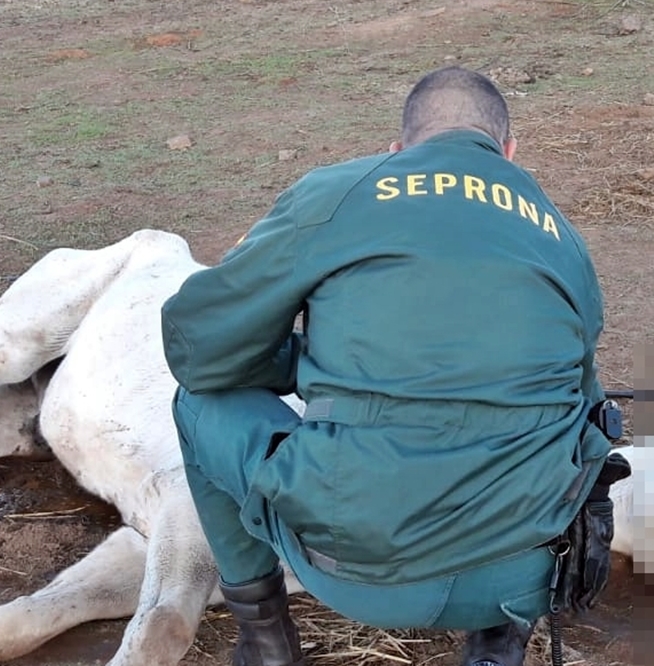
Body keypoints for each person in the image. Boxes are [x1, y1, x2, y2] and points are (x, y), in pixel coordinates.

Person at [160, 66, 622, 666]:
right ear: (509, 151)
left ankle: (265, 637)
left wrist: (300, 364)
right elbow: (580, 407)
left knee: (195, 403)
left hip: (357, 574)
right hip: (526, 574)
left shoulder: (339, 193)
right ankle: (499, 638)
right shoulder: (562, 236)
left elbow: (199, 347)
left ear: (399, 151)